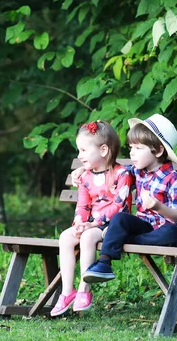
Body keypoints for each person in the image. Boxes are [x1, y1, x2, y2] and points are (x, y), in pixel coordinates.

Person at [78, 114, 177, 284]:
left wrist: (159, 207)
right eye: (131, 147)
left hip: (167, 229)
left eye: (138, 148)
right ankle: (104, 263)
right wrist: (82, 171)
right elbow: (112, 172)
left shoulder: (174, 180)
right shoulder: (137, 172)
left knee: (173, 233)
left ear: (158, 150)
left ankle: (124, 237)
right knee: (120, 218)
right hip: (144, 227)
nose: (132, 153)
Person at [51, 120, 133, 317]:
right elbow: (83, 205)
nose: (79, 156)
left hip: (113, 226)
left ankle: (84, 290)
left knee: (88, 238)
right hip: (90, 225)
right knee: (65, 237)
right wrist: (79, 222)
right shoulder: (85, 177)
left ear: (103, 150)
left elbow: (119, 205)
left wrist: (92, 224)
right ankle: (67, 291)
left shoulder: (122, 174)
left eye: (83, 150)